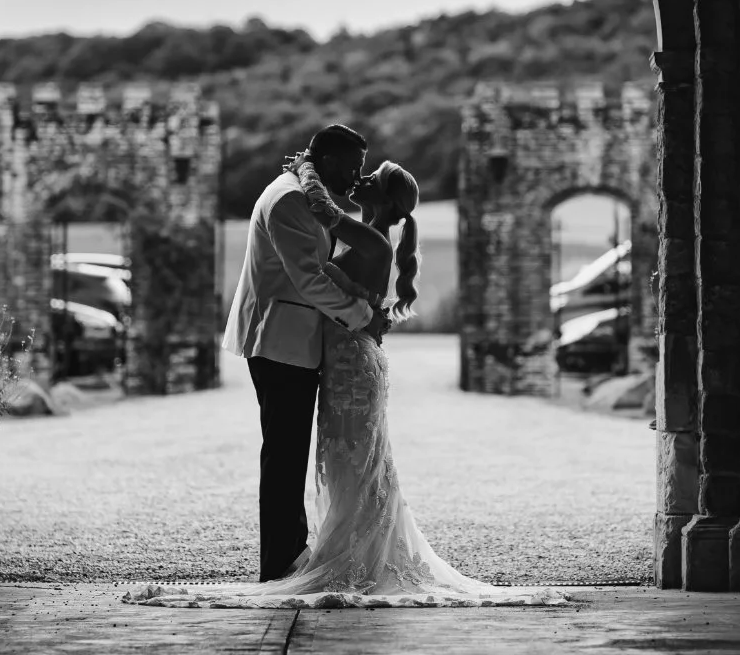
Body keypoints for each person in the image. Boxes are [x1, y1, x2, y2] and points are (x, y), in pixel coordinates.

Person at [122, 148, 566, 610]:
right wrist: (309, 174)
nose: (363, 177)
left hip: (350, 361)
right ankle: (343, 551)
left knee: (351, 461)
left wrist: (310, 174)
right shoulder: (368, 234)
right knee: (346, 459)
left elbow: (316, 264)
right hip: (343, 357)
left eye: (372, 174)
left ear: (386, 199)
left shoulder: (372, 241)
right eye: (361, 168)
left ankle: (352, 556)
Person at [219, 123, 391, 582]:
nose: (357, 177)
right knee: (284, 453)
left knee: (289, 450)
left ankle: (289, 553)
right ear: (328, 160)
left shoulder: (307, 196)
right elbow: (309, 279)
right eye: (352, 167)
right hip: (279, 342)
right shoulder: (291, 200)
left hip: (294, 342)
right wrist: (362, 316)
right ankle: (279, 563)